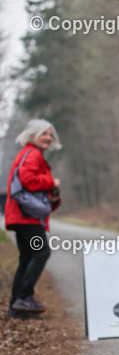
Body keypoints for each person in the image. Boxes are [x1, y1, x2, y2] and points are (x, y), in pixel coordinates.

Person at [5, 119, 61, 319]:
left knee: (27, 257)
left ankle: (15, 307)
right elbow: (27, 179)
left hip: (21, 215)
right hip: (25, 217)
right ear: (32, 135)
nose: (48, 137)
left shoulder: (30, 154)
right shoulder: (33, 154)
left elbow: (31, 186)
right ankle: (24, 297)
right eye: (43, 133)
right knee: (41, 252)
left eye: (50, 134)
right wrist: (51, 181)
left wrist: (53, 196)